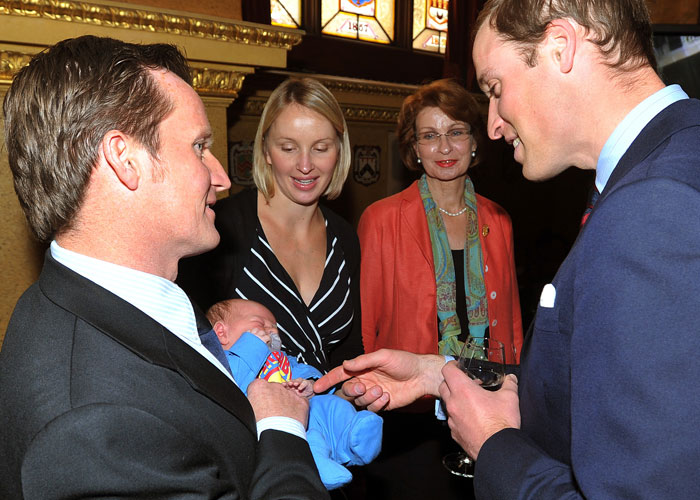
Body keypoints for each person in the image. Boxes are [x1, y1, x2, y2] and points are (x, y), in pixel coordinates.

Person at [316, 0, 700, 498]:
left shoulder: (655, 206)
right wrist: (441, 374)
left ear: (561, 46)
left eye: (496, 89)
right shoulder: (673, 155)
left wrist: (495, 443)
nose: (493, 124)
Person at [0, 36, 328, 499]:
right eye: (198, 147)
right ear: (124, 159)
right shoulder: (90, 425)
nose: (221, 176)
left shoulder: (124, 294)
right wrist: (280, 428)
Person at [355, 78, 522, 499]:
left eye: (456, 133)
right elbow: (368, 325)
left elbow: (513, 322)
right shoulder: (381, 219)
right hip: (409, 414)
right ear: (413, 148)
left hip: (486, 405)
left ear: (475, 141)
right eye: (429, 136)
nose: (444, 148)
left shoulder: (498, 218)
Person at [179, 77, 361, 374]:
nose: (305, 165)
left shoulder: (344, 237)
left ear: (339, 151)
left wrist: (354, 393)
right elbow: (192, 347)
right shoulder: (222, 228)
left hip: (327, 414)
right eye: (288, 148)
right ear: (266, 151)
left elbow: (348, 352)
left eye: (321, 148)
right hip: (242, 414)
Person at [206, 298, 382, 490]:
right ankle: (318, 467)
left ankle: (353, 434)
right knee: (307, 438)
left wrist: (308, 385)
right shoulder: (220, 364)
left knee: (330, 405)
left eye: (275, 328)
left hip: (301, 411)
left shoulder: (281, 360)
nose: (272, 331)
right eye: (260, 323)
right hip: (260, 431)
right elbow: (229, 388)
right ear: (221, 332)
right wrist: (252, 347)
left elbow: (307, 372)